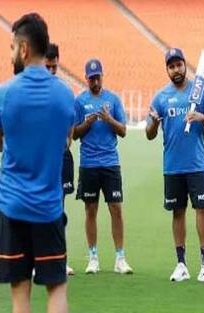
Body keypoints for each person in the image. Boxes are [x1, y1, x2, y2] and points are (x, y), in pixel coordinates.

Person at [0, 13, 90, 313]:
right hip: (49, 207)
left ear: (23, 48)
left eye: (12, 46)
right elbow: (66, 140)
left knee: (20, 293)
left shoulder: (5, 93)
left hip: (12, 205)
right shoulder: (66, 95)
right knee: (56, 287)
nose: (11, 52)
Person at [146, 47, 204, 283]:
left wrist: (201, 117)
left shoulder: (200, 93)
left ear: (185, 65)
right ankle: (181, 265)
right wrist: (154, 123)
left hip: (197, 164)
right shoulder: (160, 97)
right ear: (167, 70)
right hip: (172, 165)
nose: (176, 69)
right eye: (171, 66)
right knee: (178, 212)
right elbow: (149, 134)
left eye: (179, 65)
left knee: (203, 210)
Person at [73, 59, 133, 275]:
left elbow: (123, 131)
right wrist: (87, 123)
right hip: (88, 164)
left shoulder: (113, 100)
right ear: (86, 79)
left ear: (102, 76)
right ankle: (93, 257)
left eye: (97, 77)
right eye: (91, 78)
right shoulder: (79, 102)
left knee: (116, 208)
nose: (95, 82)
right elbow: (74, 133)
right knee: (90, 210)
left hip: (110, 163)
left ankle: (120, 258)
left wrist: (109, 119)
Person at [46, 43, 75, 276]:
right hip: (38, 159)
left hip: (60, 157)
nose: (51, 71)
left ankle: (59, 258)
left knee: (59, 207)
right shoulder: (30, 91)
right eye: (47, 67)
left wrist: (68, 137)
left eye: (54, 67)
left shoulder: (64, 90)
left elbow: (70, 118)